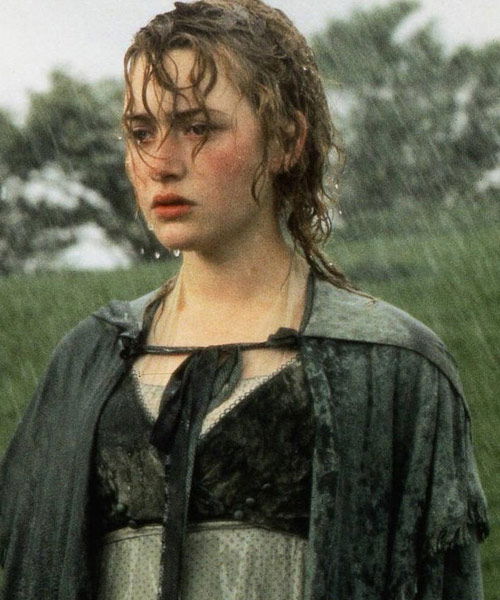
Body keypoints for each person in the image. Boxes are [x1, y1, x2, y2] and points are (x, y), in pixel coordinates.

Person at [0, 1, 489, 599]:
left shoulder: (388, 365)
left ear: (286, 141)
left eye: (198, 128)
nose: (162, 163)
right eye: (141, 132)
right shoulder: (88, 362)